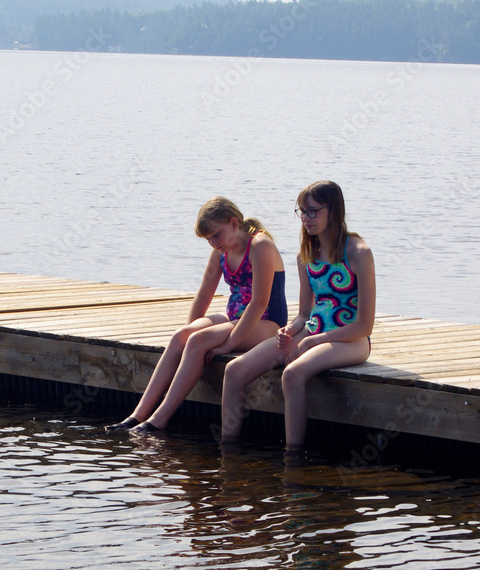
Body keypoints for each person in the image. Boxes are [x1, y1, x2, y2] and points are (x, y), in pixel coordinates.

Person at [220, 180, 375, 458]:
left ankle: (294, 457)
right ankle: (227, 451)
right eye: (301, 212)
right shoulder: (306, 255)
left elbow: (365, 325)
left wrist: (314, 340)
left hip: (351, 337)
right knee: (234, 371)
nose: (306, 218)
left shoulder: (358, 252)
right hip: (313, 332)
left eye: (313, 211)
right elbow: (305, 313)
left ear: (334, 211)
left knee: (292, 374)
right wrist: (290, 331)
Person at [106, 196, 287, 433]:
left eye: (215, 235)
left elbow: (260, 302)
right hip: (234, 316)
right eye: (208, 239)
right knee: (183, 335)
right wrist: (187, 344)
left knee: (198, 340)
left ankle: (158, 420)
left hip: (266, 321)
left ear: (234, 223)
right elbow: (204, 294)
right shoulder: (220, 252)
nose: (212, 243)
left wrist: (228, 344)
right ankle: (136, 415)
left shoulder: (260, 245)